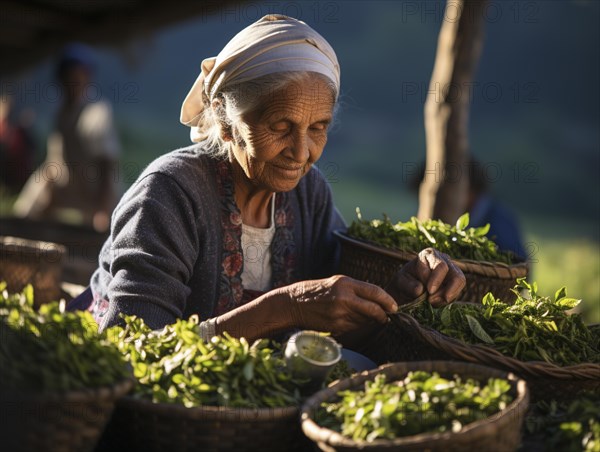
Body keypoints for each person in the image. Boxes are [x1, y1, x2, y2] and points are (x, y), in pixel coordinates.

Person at [79, 15, 465, 344]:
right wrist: (285, 307)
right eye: (280, 127)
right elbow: (130, 343)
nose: (301, 153)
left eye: (318, 128)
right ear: (226, 122)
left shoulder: (309, 194)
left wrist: (401, 291)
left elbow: (337, 313)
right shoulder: (168, 194)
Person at [13, 43, 120, 232]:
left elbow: (106, 165)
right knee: (24, 215)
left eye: (78, 75)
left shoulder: (96, 113)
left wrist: (102, 211)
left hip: (94, 193)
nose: (72, 81)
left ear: (87, 77)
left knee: (100, 240)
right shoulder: (62, 113)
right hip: (66, 188)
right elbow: (54, 162)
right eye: (68, 76)